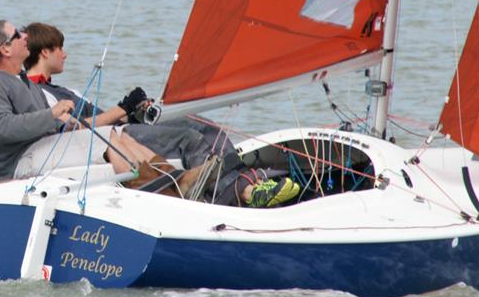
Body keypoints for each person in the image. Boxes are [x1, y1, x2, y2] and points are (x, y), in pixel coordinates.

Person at [21, 22, 300, 208]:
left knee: (198, 122)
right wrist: (123, 108)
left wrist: (135, 113)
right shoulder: (39, 95)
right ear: (46, 51)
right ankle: (241, 194)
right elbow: (78, 130)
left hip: (120, 130)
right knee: (188, 138)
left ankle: (252, 180)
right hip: (106, 142)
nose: (65, 55)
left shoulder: (64, 88)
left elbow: (106, 119)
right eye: (60, 49)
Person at [0, 19, 201, 194]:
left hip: (43, 148)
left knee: (118, 134)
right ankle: (155, 191)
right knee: (104, 140)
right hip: (21, 162)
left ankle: (177, 179)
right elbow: (2, 128)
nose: (24, 36)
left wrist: (63, 123)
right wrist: (51, 115)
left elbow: (41, 124)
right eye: (17, 35)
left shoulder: (19, 80)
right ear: (5, 49)